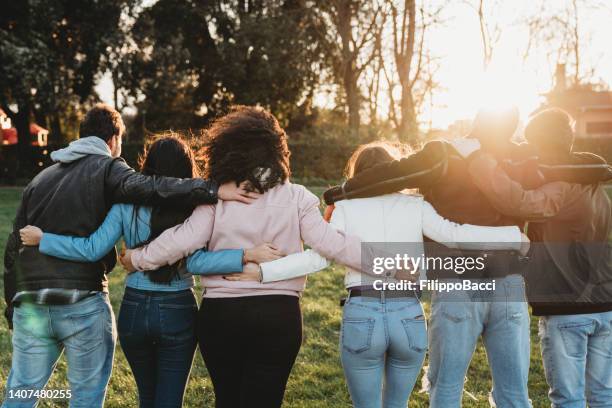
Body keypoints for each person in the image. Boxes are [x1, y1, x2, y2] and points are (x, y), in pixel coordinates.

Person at [320, 107, 610, 407]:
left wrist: (340, 194)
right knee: (513, 394)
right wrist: (601, 169)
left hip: (457, 281)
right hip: (508, 285)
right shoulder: (521, 157)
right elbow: (565, 164)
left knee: (446, 387)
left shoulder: (443, 153)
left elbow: (392, 175)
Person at [119, 106, 405, 408]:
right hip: (278, 317)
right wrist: (391, 265)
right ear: (278, 151)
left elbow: (180, 241)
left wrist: (137, 259)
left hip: (221, 317)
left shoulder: (218, 199)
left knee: (227, 401)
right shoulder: (297, 197)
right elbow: (332, 244)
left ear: (228, 150)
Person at [228, 141, 529, 408]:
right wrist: (513, 236)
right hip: (408, 317)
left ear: (358, 172)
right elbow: (455, 235)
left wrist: (263, 272)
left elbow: (319, 257)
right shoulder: (416, 206)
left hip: (363, 314)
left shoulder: (345, 207)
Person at [1, 104, 255, 408]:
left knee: (21, 393)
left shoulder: (42, 180)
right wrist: (240, 247)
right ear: (113, 140)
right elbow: (188, 250)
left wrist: (12, 303)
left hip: (97, 307)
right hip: (145, 305)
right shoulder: (119, 173)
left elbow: (17, 247)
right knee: (92, 397)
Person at [464, 108, 612, 407]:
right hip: (606, 306)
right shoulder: (596, 186)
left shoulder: (562, 188)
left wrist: (479, 164)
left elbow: (518, 201)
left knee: (568, 398)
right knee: (602, 396)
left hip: (569, 306)